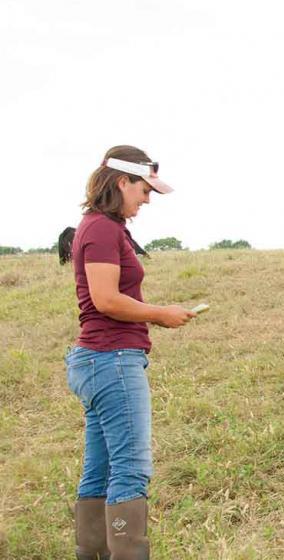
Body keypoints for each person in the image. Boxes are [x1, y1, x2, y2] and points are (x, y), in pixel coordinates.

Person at [66, 145, 196, 559]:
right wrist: (159, 314)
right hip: (113, 360)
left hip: (98, 359)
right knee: (130, 469)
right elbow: (105, 299)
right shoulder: (103, 229)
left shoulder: (100, 226)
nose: (147, 199)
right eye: (144, 189)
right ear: (122, 181)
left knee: (101, 468)